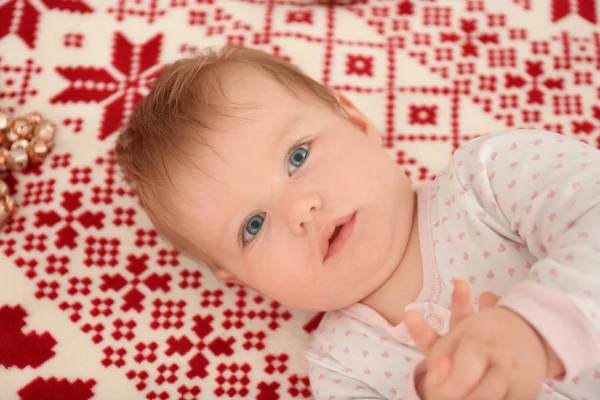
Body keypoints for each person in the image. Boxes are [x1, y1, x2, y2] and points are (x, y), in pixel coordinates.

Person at [115, 45, 600, 399]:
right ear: (241, 280)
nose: (298, 209)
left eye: (297, 156)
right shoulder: (341, 369)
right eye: (253, 225)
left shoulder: (488, 177)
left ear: (354, 121)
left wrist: (536, 330)